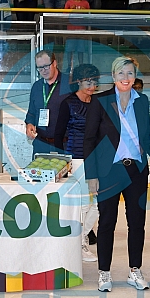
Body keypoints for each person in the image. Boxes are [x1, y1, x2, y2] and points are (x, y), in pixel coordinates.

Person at [83, 56, 150, 293]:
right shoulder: (99, 102)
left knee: (137, 223)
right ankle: (104, 272)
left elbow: (147, 136)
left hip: (136, 171)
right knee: (107, 223)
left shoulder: (142, 102)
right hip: (109, 171)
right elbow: (89, 139)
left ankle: (135, 270)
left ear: (135, 77)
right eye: (121, 74)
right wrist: (91, 175)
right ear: (113, 77)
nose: (125, 78)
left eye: (130, 73)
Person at [54, 64, 101, 263]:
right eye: (88, 82)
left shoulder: (98, 102)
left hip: (96, 159)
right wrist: (62, 163)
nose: (92, 86)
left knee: (98, 204)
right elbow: (58, 134)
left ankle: (82, 237)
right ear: (79, 81)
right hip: (75, 158)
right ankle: (78, 243)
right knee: (83, 203)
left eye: (95, 81)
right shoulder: (68, 103)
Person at [25, 50, 71, 155]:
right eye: (40, 68)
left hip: (64, 145)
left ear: (54, 63)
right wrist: (29, 124)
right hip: (41, 144)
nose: (43, 70)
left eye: (46, 66)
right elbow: (31, 113)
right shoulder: (36, 87)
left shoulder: (70, 84)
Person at [64, 0, 90, 67]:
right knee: (69, 50)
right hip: (71, 30)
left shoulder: (85, 3)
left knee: (81, 50)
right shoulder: (69, 3)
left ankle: (81, 66)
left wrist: (85, 12)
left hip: (81, 30)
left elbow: (89, 17)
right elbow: (63, 16)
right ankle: (69, 66)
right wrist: (70, 10)